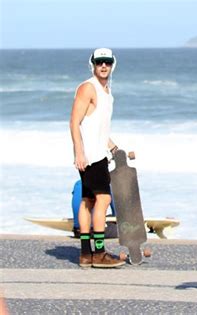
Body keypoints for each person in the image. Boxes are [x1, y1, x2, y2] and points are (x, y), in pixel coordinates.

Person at [69, 48, 124, 268]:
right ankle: (99, 253)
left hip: (99, 153)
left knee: (88, 201)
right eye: (99, 62)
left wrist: (114, 148)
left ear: (113, 65)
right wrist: (79, 153)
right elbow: (74, 122)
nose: (103, 66)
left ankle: (85, 254)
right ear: (92, 64)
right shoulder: (88, 88)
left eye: (107, 63)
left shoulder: (106, 91)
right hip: (91, 156)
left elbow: (99, 127)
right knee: (104, 200)